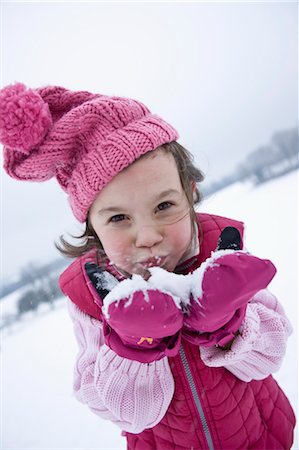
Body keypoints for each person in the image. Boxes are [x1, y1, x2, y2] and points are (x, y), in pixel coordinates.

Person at [0, 82, 296, 450]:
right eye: (119, 217)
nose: (147, 236)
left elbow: (269, 357)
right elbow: (127, 413)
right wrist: (134, 347)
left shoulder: (220, 251)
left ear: (189, 192)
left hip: (261, 438)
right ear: (93, 227)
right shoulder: (91, 296)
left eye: (164, 207)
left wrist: (229, 324)